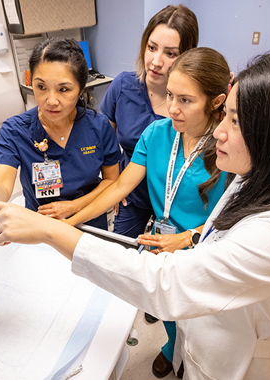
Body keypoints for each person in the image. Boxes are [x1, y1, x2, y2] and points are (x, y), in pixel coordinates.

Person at [0, 53, 270, 380]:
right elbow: (133, 196)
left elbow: (167, 287)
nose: (220, 132)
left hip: (237, 360)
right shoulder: (254, 177)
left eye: (234, 120)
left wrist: (52, 230)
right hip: (202, 324)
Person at [67, 46, 231, 378]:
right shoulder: (157, 134)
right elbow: (118, 187)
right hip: (162, 240)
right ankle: (171, 347)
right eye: (170, 95)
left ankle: (191, 357)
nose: (172, 108)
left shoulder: (228, 148)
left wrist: (187, 238)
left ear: (216, 101)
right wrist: (69, 223)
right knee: (164, 307)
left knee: (201, 322)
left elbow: (233, 220)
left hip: (207, 246)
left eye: (186, 100)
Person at [0, 37, 121, 230]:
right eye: (41, 87)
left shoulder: (98, 126)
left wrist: (73, 207)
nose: (51, 100)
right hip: (39, 228)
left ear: (81, 89)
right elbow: (1, 194)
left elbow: (111, 180)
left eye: (63, 89)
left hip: (90, 223)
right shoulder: (15, 131)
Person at [101, 4, 199, 238]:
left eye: (170, 53)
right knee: (120, 249)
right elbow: (103, 139)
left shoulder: (195, 99)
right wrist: (114, 183)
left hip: (178, 200)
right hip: (132, 192)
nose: (156, 61)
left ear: (187, 55)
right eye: (152, 48)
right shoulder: (123, 86)